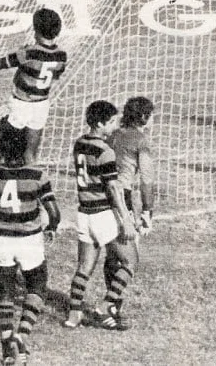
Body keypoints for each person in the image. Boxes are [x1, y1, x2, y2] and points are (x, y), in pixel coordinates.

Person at [0, 123, 61, 365]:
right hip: (30, 241)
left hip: (3, 242)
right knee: (36, 287)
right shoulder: (37, 176)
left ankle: (7, 349)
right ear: (25, 148)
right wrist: (52, 227)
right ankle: (21, 335)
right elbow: (53, 211)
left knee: (4, 294)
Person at [64, 100, 138, 331]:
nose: (114, 126)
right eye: (111, 122)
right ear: (99, 123)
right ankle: (106, 306)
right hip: (103, 214)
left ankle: (73, 315)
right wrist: (125, 219)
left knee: (84, 267)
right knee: (130, 260)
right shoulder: (105, 152)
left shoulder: (79, 144)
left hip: (84, 213)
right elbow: (113, 188)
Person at [0, 7, 67, 165]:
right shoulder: (61, 56)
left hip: (21, 104)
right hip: (41, 106)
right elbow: (55, 75)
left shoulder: (29, 52)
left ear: (35, 30)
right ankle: (31, 182)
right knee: (30, 154)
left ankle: (5, 176)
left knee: (6, 151)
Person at [100, 96, 156, 328]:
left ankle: (113, 309)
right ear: (143, 117)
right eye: (151, 115)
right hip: (121, 198)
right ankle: (108, 305)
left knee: (112, 256)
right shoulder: (141, 140)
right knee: (130, 258)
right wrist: (147, 211)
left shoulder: (113, 134)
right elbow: (147, 180)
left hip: (101, 197)